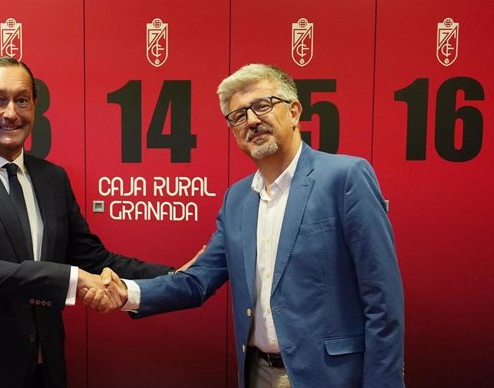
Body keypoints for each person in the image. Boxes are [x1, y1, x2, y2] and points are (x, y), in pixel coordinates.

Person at [103, 64, 405, 388]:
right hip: (257, 373)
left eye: (262, 105)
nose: (251, 120)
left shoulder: (345, 178)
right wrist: (127, 293)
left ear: (294, 112)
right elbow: (197, 280)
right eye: (238, 116)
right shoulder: (237, 199)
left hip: (331, 377)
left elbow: (383, 301)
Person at [0, 56, 175, 388]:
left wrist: (176, 275)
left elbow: (93, 258)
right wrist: (76, 281)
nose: (11, 113)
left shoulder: (52, 178)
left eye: (22, 100)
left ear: (34, 107)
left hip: (41, 367)